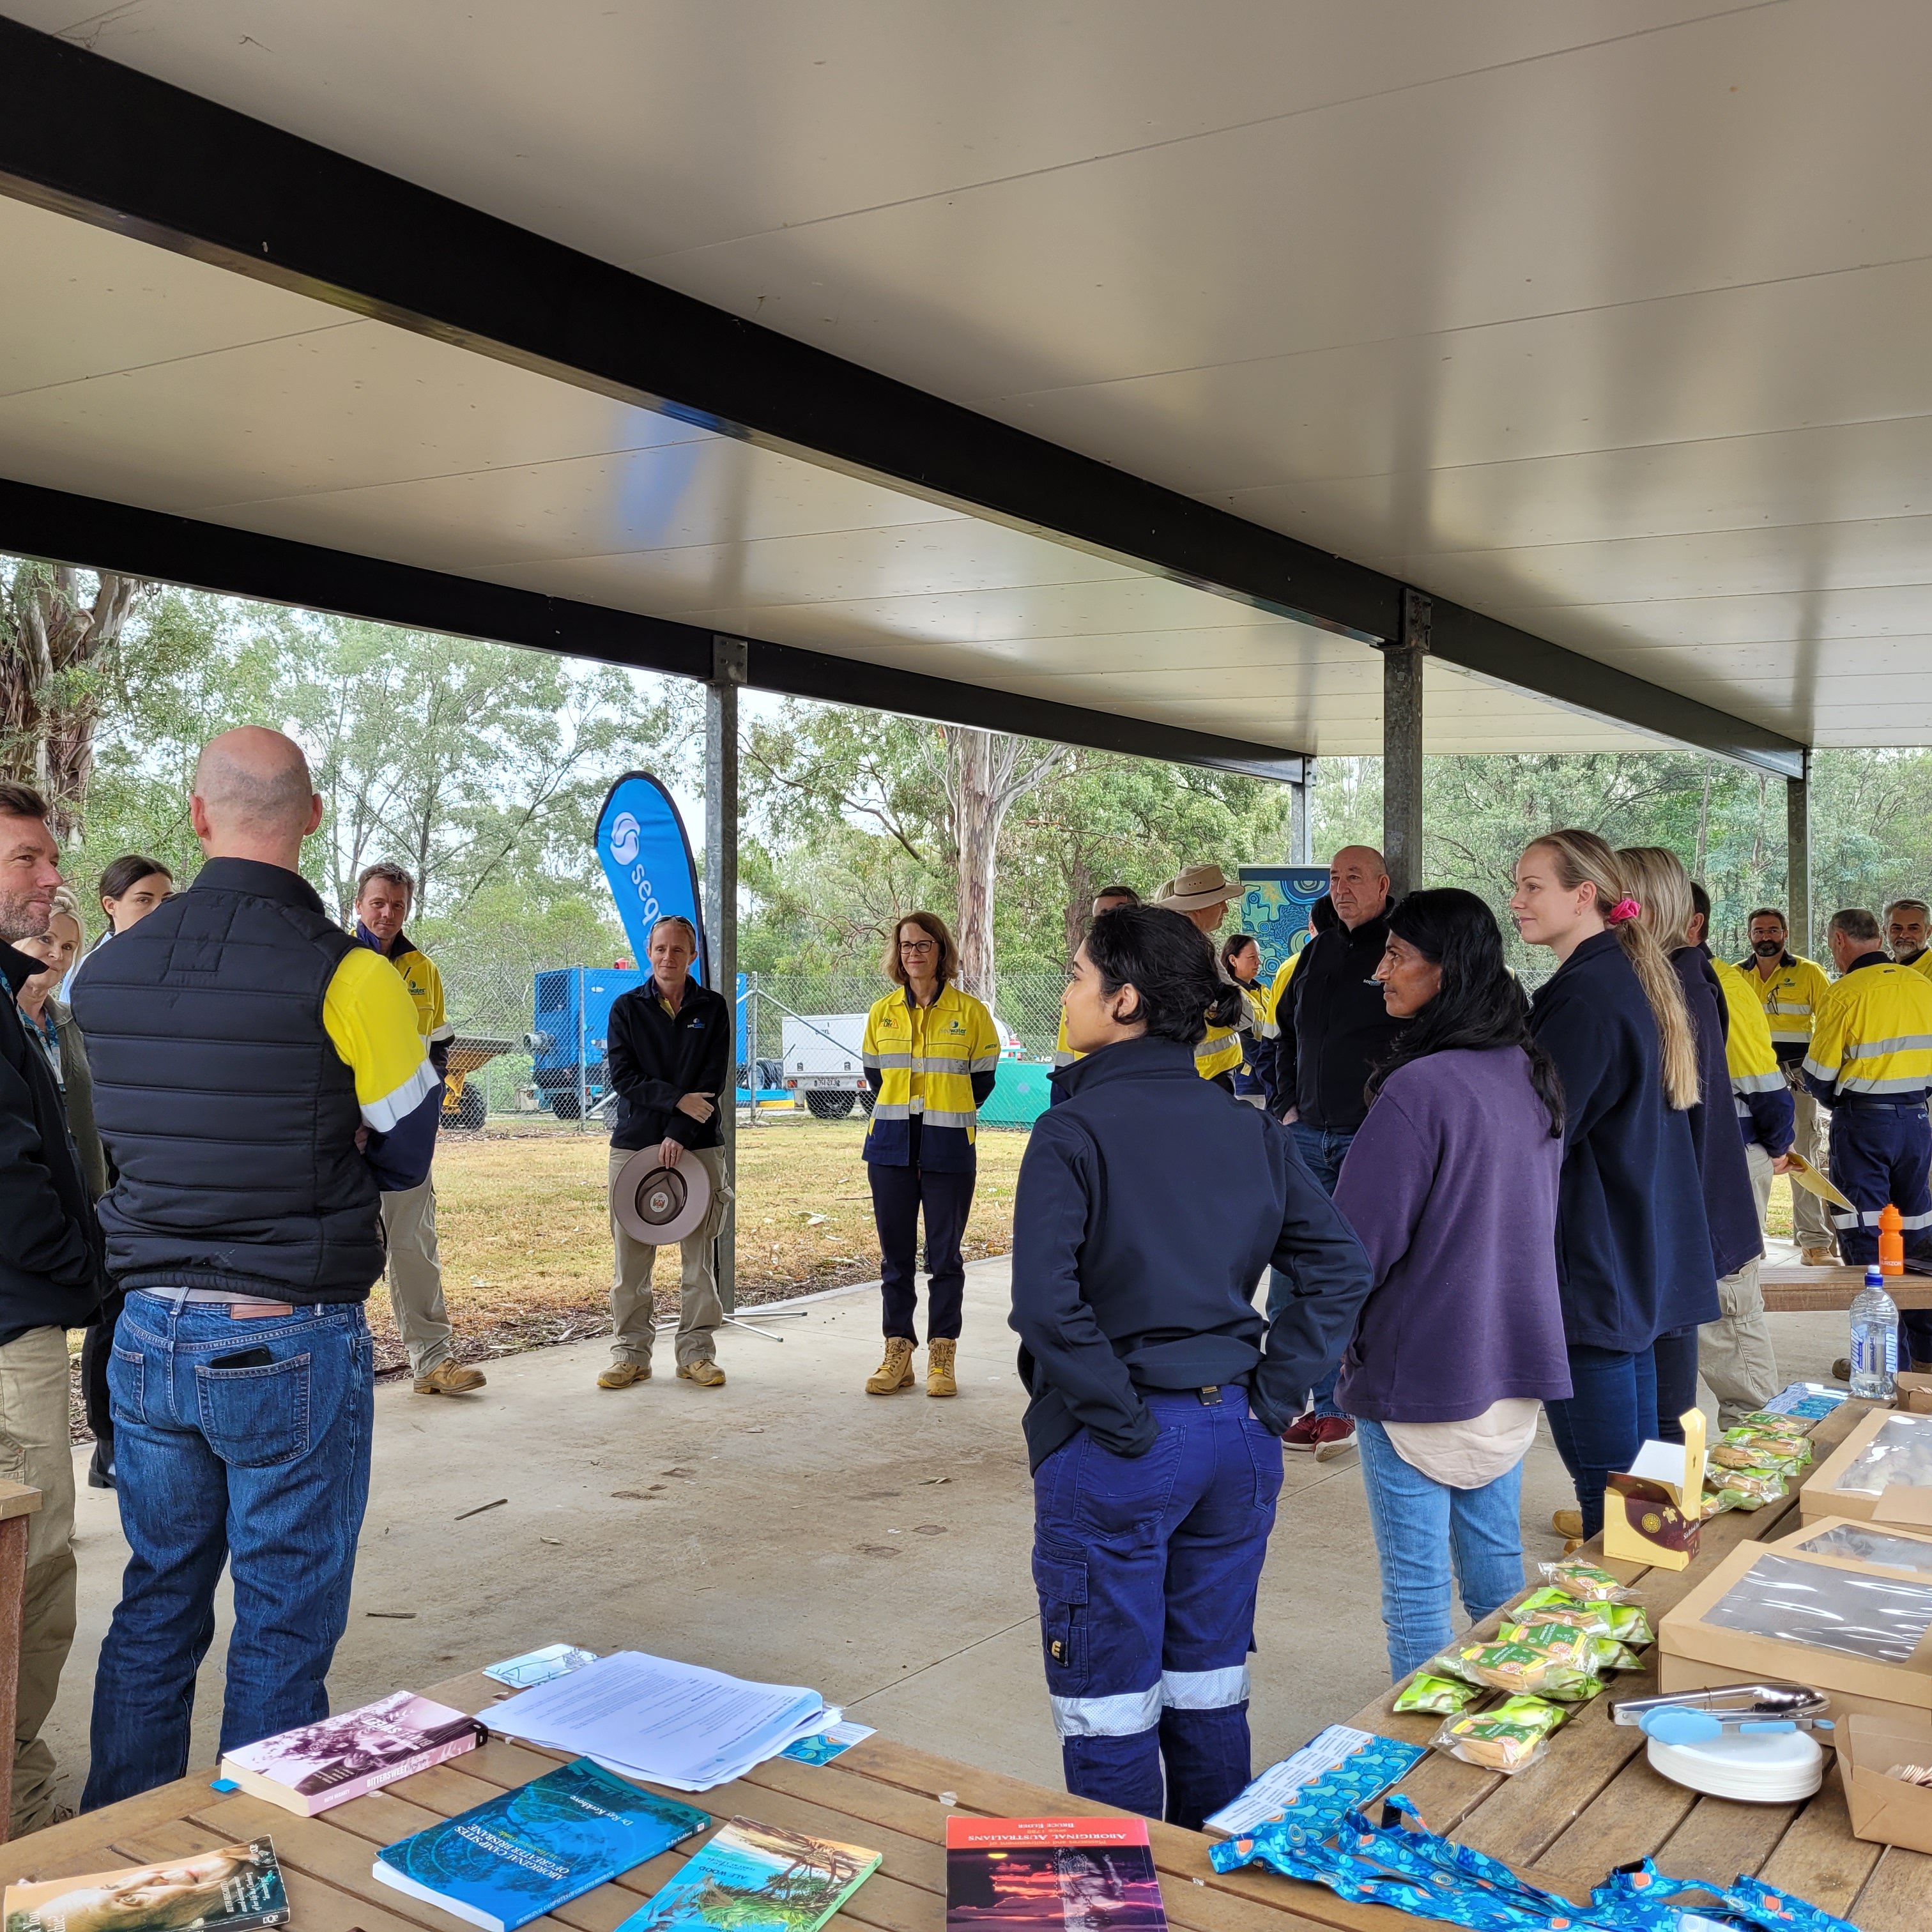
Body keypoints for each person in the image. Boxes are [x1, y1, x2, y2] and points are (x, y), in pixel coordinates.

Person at [72, 726, 440, 1809]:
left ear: (196, 816)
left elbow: (124, 1128)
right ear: (312, 816)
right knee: (281, 1615)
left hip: (145, 1334)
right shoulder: (350, 971)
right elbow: (407, 1148)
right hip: (283, 1327)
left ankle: (118, 1846)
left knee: (157, 1596)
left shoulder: (112, 966)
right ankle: (255, 1863)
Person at [1011, 903, 1370, 1828]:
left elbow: (1050, 1307)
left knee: (1108, 1705)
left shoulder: (1071, 1130)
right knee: (1210, 1687)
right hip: (1234, 1440)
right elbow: (1338, 1265)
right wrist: (1275, 1393)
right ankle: (1216, 1895)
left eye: (1078, 977)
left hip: (1123, 1440)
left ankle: (1126, 1900)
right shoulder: (1247, 1128)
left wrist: (1117, 1417)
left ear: (1124, 1000)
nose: (1069, 992)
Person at [1331, 889, 1570, 1679]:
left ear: (1449, 970)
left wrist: (1304, 1346)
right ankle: (1515, 1724)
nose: (1383, 970)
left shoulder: (1420, 1091)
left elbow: (1354, 1250)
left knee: (1416, 1594)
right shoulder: (1528, 1073)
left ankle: (1424, 1772)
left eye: (1399, 954)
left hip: (1420, 1371)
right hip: (1510, 1364)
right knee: (1499, 1576)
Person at [1510, 830, 1715, 1544]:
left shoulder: (1586, 997)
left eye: (1533, 886)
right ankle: (1664, 1606)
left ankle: (1640, 1631)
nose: (1517, 900)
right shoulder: (1630, 974)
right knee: (1654, 1489)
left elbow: (1540, 1136)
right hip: (1648, 1250)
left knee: (1620, 1504)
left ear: (1584, 895)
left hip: (1600, 1264)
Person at [0, 783, 107, 1836]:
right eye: (28, 858)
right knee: (29, 1570)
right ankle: (17, 1796)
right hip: (10, 1327)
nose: (49, 877)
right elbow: (15, 1181)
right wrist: (88, 1265)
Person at [1616, 850, 1763, 1444]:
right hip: (1687, 1206)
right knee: (1661, 1367)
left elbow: (1693, 1113)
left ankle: (1670, 1513)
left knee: (1698, 1366)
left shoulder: (1684, 984)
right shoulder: (1672, 974)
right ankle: (1651, 1514)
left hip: (1692, 1206)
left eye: (1614, 896)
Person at [1271, 847, 1403, 1460]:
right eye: (1333, 878)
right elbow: (1287, 1033)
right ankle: (1308, 1403)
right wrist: (1288, 1102)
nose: (1342, 887)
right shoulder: (1318, 951)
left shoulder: (1402, 949)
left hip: (1369, 1137)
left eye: (1354, 877)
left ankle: (1346, 1405)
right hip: (1307, 1133)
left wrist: (1392, 1117)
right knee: (1298, 1268)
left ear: (1382, 884)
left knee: (1356, 1270)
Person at [352, 862, 485, 1398]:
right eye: (378, 903)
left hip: (405, 1134)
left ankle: (432, 1361)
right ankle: (339, 1364)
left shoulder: (422, 969)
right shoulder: (337, 960)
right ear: (358, 905)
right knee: (342, 1252)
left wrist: (421, 1117)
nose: (387, 914)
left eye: (398, 905)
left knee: (413, 1246)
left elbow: (436, 1047)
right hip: (345, 1134)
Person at [861, 912, 1000, 1399]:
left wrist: (945, 1109)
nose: (913, 953)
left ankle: (943, 1353)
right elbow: (877, 1078)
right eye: (905, 946)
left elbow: (982, 1080)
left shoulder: (973, 1013)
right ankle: (898, 1351)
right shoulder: (882, 1014)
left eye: (923, 945)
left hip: (948, 1150)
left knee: (945, 1258)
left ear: (941, 951)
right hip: (890, 1149)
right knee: (895, 1260)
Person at [70, 854, 175, 1484]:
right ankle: (108, 1443)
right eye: (144, 899)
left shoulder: (173, 969)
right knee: (112, 1306)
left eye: (167, 899)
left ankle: (143, 1435)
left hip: (159, 1159)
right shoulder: (94, 979)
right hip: (112, 1165)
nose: (159, 910)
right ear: (111, 906)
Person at [599, 914, 732, 1392]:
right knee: (631, 1261)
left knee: (699, 1260)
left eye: (678, 950)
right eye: (660, 949)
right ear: (648, 953)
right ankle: (630, 1353)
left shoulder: (712, 1008)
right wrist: (676, 1102)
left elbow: (711, 1080)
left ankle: (697, 1353)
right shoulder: (625, 1009)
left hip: (700, 1145)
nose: (668, 958)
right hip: (635, 1147)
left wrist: (678, 1131)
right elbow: (624, 1078)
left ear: (692, 956)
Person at [1804, 908, 1932, 1367]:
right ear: (1879, 938)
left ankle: (1879, 1362)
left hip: (1863, 1123)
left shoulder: (1845, 994)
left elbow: (1819, 1075)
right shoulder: (1922, 986)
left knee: (1864, 1232)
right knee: (1917, 1233)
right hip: (1916, 1121)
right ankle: (1926, 1358)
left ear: (1839, 941)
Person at [1690, 883, 1793, 1423]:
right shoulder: (1646, 978)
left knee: (1729, 1295)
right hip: (1690, 1163)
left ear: (1694, 926)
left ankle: (1757, 1439)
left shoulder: (1722, 984)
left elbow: (1764, 1082)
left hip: (1731, 1157)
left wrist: (1778, 1144)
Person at [1738, 908, 1836, 1264]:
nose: (1766, 937)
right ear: (1750, 935)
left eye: (1773, 931)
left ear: (1785, 934)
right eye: (1759, 931)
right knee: (1748, 1163)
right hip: (1747, 1085)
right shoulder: (1735, 977)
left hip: (1795, 1080)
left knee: (1801, 1158)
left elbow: (1829, 1025)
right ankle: (1749, 1245)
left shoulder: (1809, 973)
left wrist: (1813, 1072)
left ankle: (1813, 1242)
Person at [1150, 865, 1246, 1085]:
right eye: (1221, 901)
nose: (1226, 909)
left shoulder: (1163, 948)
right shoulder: (1197, 950)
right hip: (1207, 1073)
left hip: (1187, 1069)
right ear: (1200, 907)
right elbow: (1245, 1016)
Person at [1053, 887, 1140, 1069]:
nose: (1104, 924)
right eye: (1099, 917)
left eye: (1114, 915)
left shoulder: (1159, 989)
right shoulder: (1076, 995)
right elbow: (1065, 1061)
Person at [1220, 931, 1276, 1108]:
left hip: (1270, 1079)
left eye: (1258, 957)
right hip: (1249, 1084)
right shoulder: (1230, 996)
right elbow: (1245, 1043)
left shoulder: (1264, 993)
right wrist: (1273, 1064)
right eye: (1252, 957)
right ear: (1233, 960)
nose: (1258, 962)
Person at [1887, 898, 1931, 968]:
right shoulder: (1881, 970)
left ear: (1928, 932)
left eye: (1913, 928)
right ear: (1886, 931)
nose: (1903, 935)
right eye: (1897, 928)